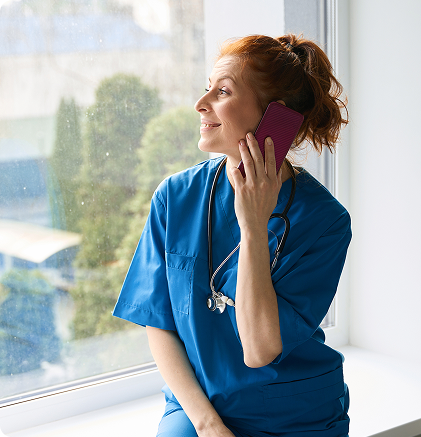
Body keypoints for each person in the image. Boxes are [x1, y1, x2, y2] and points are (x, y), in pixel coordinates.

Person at [113, 33, 351, 437]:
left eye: (222, 91)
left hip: (293, 415)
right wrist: (206, 425)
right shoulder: (175, 197)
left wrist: (254, 227)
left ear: (276, 117)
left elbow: (259, 351)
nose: (200, 104)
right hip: (197, 406)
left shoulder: (324, 222)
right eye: (207, 88)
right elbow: (158, 322)